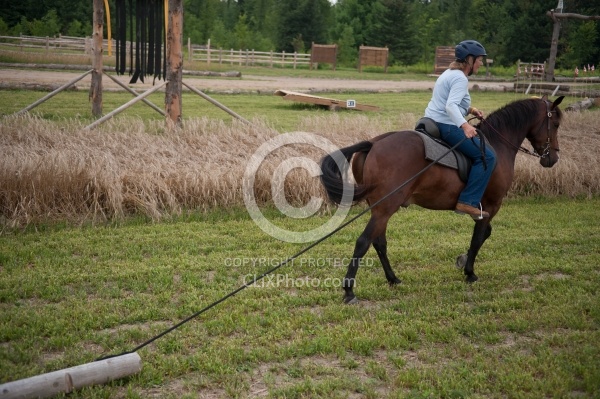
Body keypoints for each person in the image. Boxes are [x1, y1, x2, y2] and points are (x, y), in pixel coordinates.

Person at [424, 40, 496, 220]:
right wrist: (465, 125)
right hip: (446, 125)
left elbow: (451, 100)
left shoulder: (449, 73)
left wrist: (470, 110)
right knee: (487, 156)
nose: (481, 63)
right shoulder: (460, 78)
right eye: (479, 59)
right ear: (469, 60)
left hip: (432, 119)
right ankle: (468, 201)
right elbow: (450, 106)